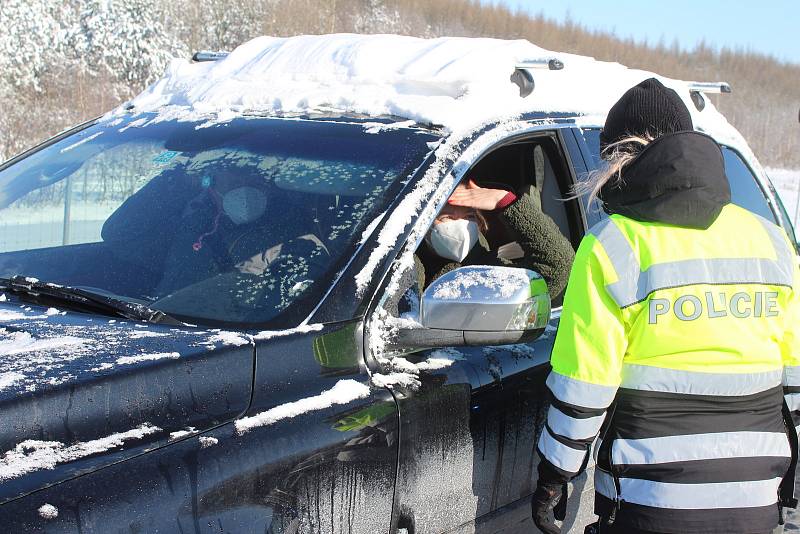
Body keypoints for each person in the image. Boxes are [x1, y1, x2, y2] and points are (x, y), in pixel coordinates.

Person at [531, 78, 800, 534]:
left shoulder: (613, 245)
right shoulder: (771, 242)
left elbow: (585, 383)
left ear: (620, 156)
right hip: (756, 502)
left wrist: (555, 476)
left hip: (649, 500)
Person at [408, 176, 575, 303]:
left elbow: (556, 268)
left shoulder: (485, 270)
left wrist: (505, 201)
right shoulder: (404, 267)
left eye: (469, 216)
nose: (460, 225)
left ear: (479, 223)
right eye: (446, 217)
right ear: (423, 225)